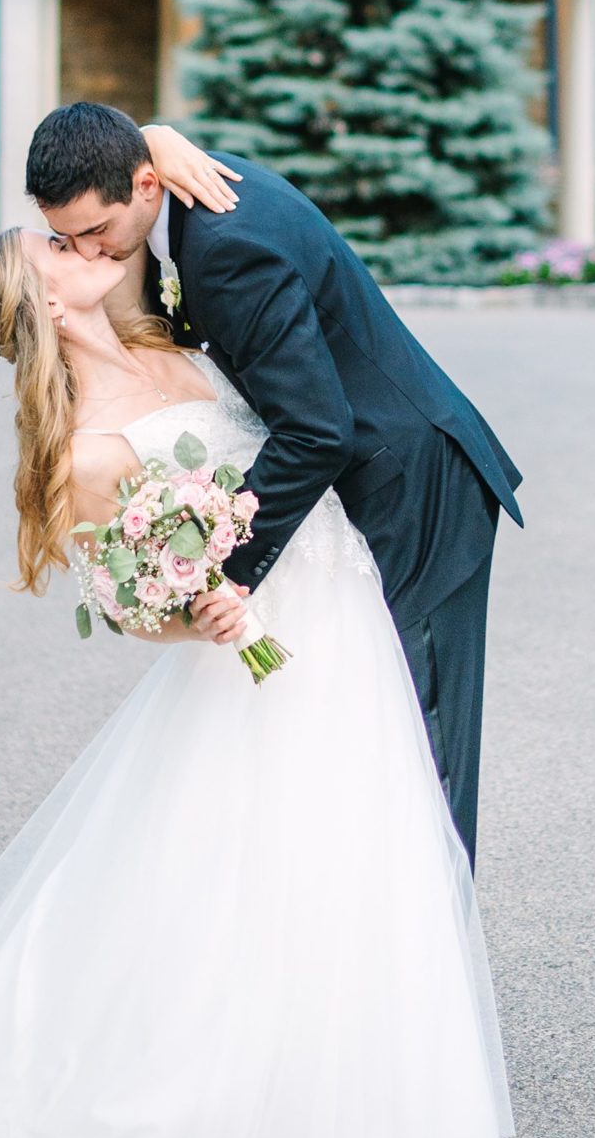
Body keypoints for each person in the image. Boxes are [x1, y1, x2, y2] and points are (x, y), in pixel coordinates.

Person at [0, 209, 511, 1138]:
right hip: (258, 646)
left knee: (360, 844)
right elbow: (130, 606)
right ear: (44, 297)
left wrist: (161, 149)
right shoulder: (85, 450)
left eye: (74, 234)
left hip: (339, 601)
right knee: (267, 867)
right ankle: (240, 1098)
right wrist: (200, 604)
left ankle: (352, 1079)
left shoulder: (173, 337)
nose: (75, 245)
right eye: (53, 248)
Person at [26, 102, 523, 869]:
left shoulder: (223, 247)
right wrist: (155, 131)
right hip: (380, 479)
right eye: (67, 238)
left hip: (414, 483)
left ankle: (431, 947)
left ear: (146, 185)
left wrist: (230, 571)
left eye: (98, 232)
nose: (91, 250)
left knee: (423, 735)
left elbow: (316, 430)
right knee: (371, 727)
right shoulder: (169, 199)